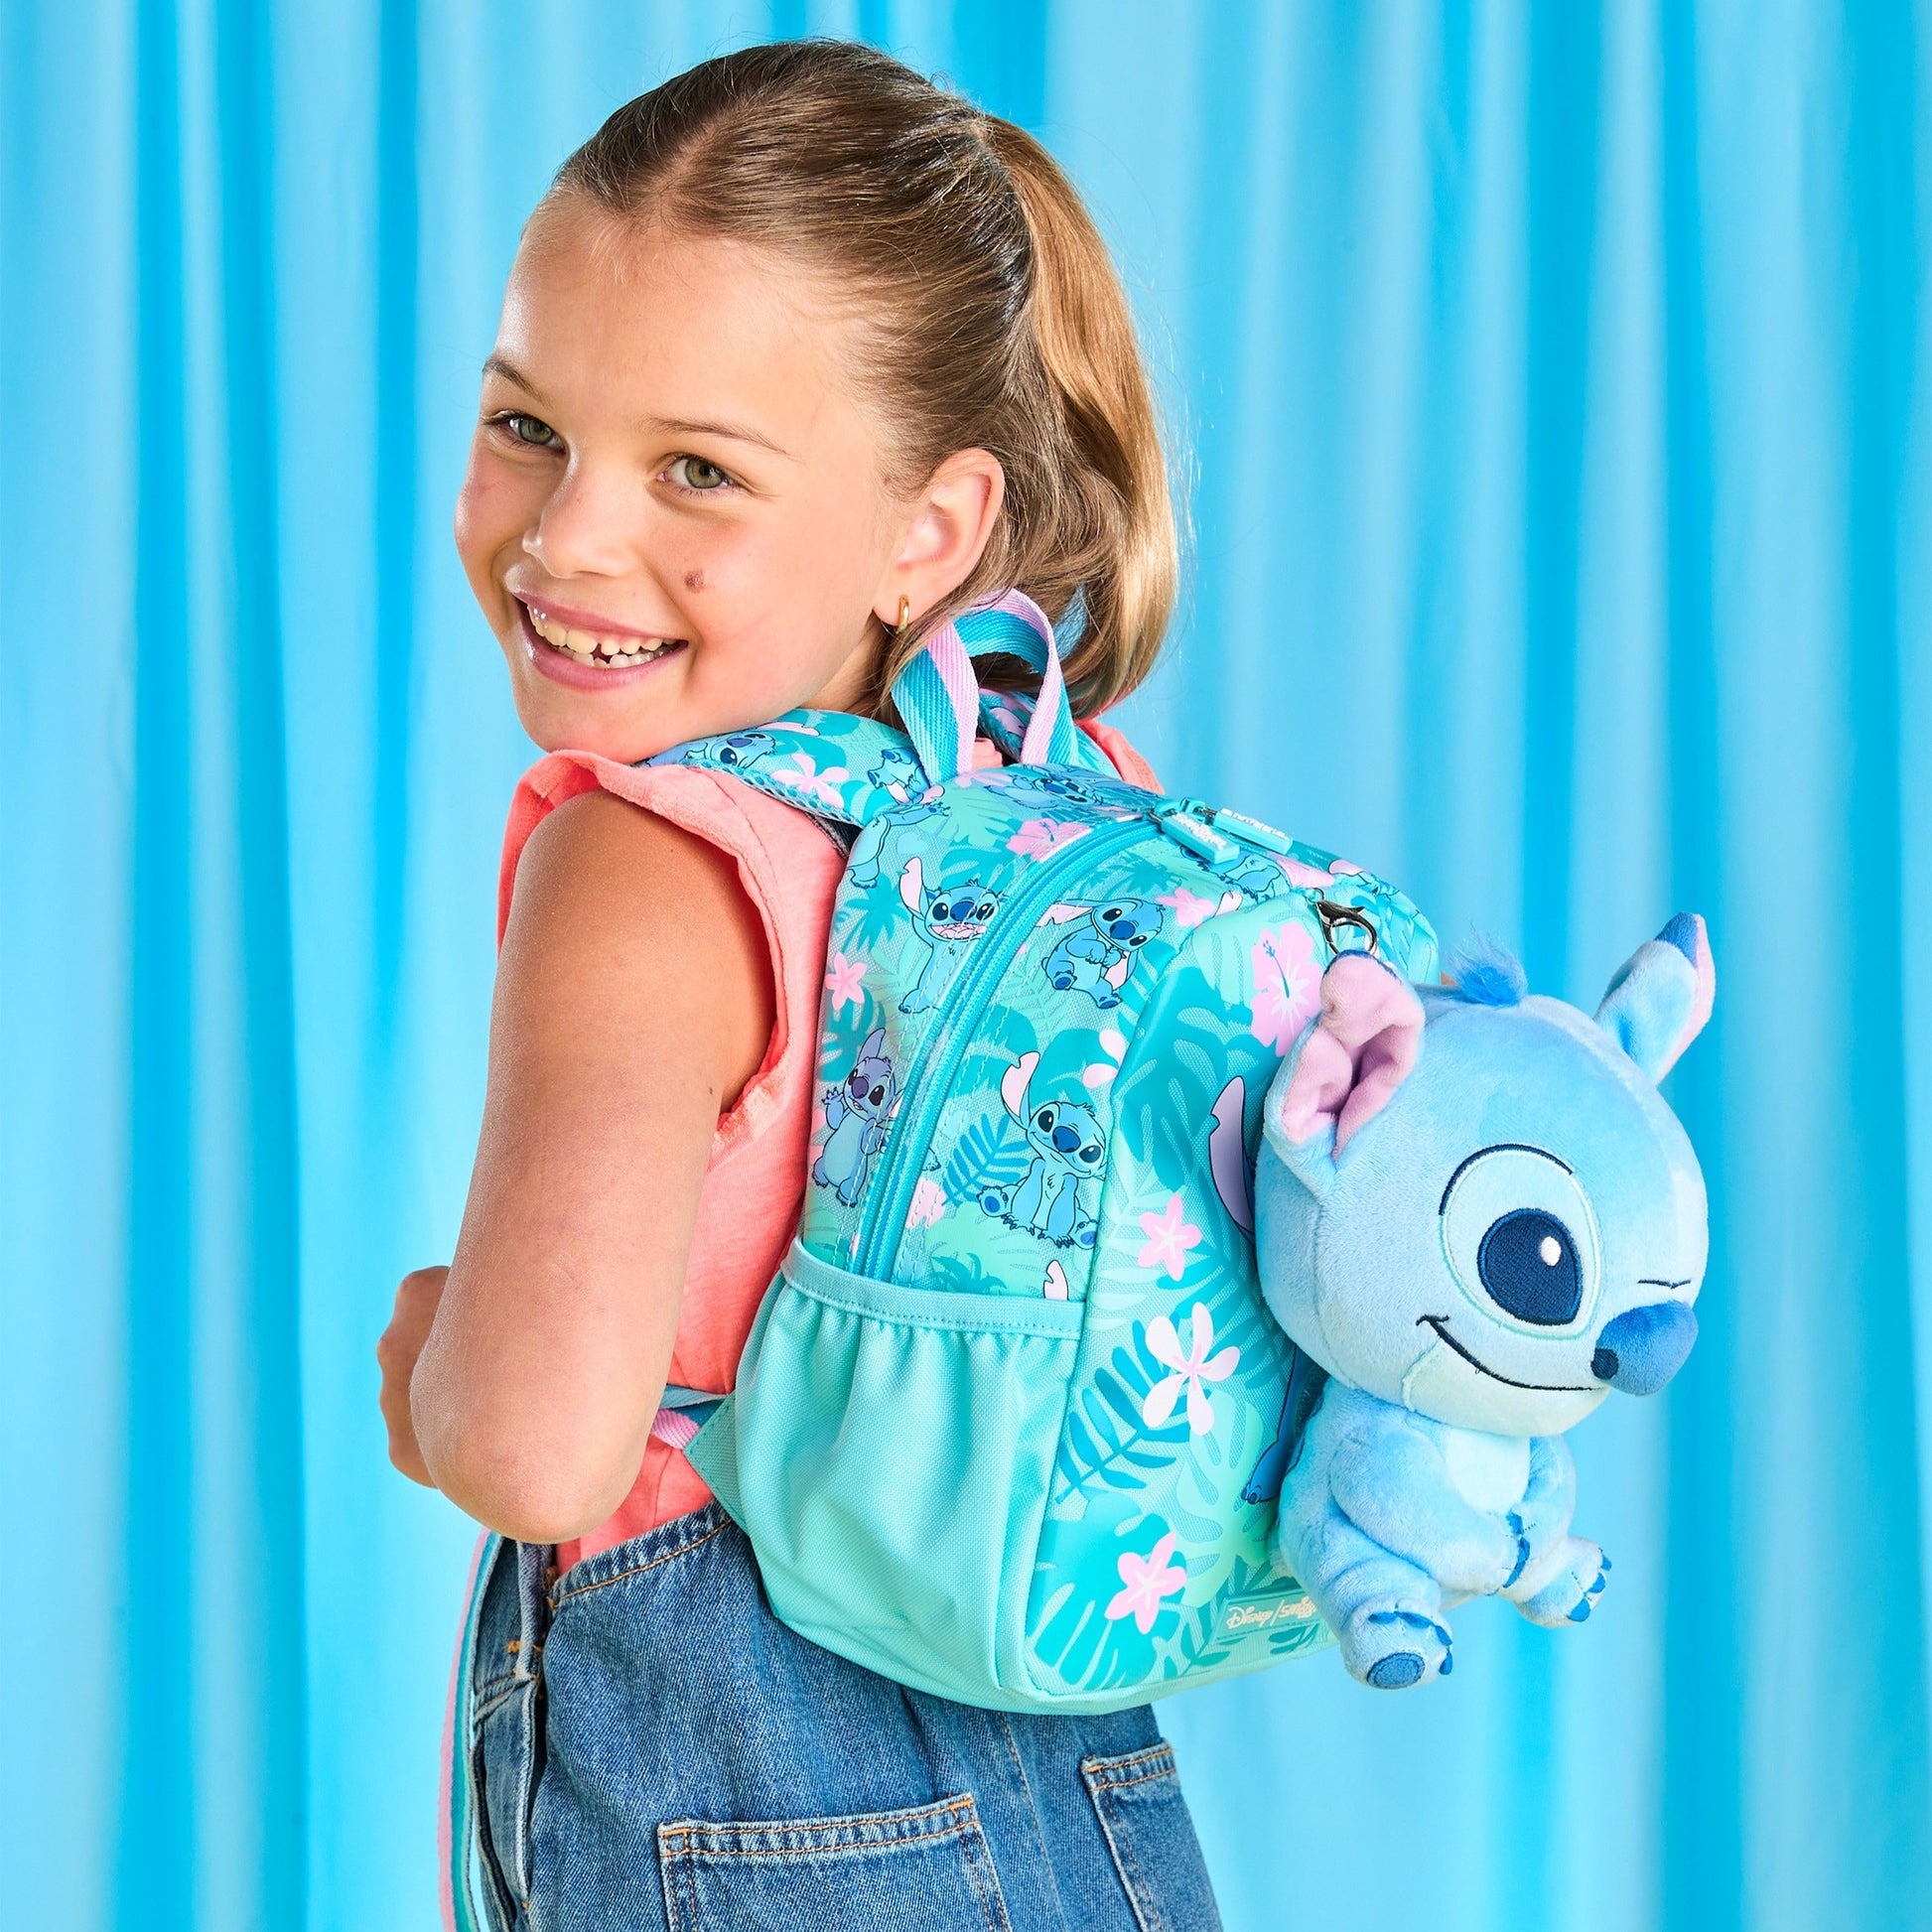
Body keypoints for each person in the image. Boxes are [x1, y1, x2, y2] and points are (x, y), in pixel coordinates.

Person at [374, 39, 1222, 1932]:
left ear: (931, 530)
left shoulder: (650, 857)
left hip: (742, 1810)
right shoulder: (1063, 814)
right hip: (1077, 1783)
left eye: (696, 468)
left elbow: (537, 1436)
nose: (570, 534)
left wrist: (430, 1363)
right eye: (527, 425)